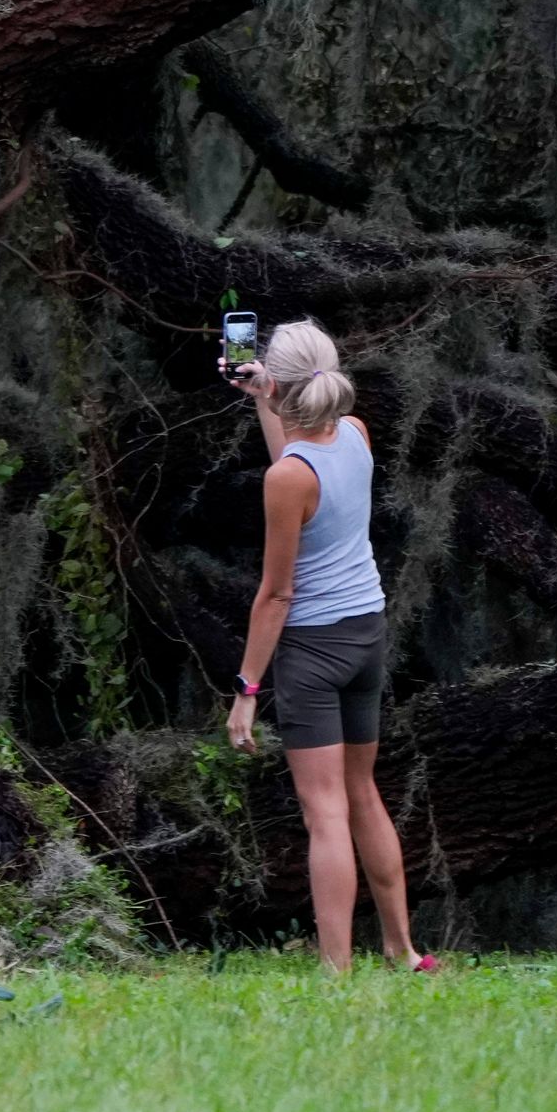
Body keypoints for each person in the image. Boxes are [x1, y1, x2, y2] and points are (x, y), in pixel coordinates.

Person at [227, 319, 437, 975]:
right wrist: (268, 397)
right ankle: (402, 950)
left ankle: (336, 970)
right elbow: (295, 463)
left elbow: (276, 596)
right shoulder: (355, 435)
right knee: (362, 792)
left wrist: (246, 691)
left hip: (314, 650)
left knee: (325, 814)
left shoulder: (288, 478)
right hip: (366, 634)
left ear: (288, 384)